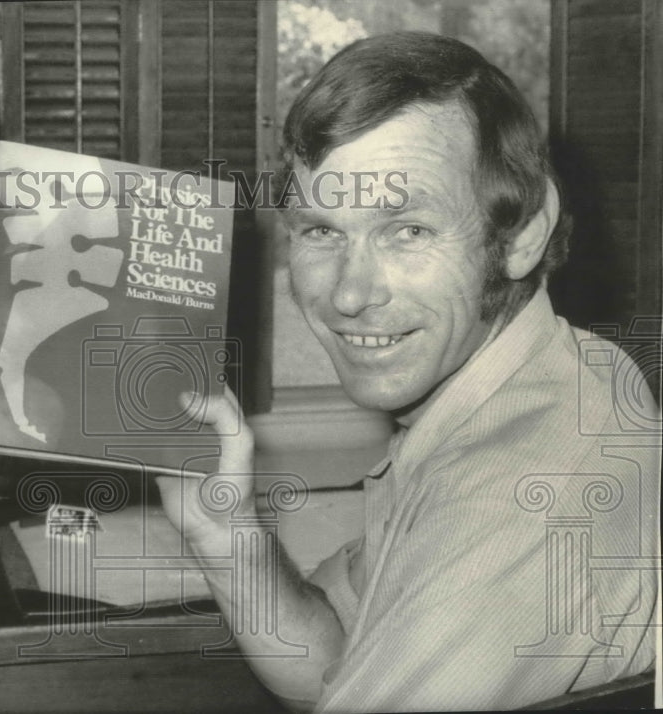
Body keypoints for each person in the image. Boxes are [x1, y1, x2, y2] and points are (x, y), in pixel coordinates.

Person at [157, 32, 659, 711]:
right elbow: (335, 654)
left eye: (408, 230)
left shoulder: (516, 500)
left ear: (521, 235)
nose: (348, 295)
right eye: (321, 231)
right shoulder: (534, 383)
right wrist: (224, 531)